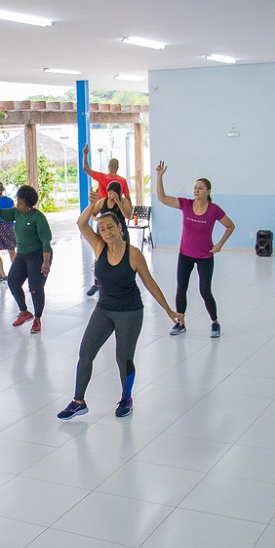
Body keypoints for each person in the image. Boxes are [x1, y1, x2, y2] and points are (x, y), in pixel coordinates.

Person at [57, 206, 183, 420]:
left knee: (123, 358)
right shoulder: (99, 247)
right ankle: (79, 402)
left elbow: (150, 283)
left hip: (130, 311)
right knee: (86, 353)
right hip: (104, 309)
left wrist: (169, 310)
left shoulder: (133, 254)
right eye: (103, 229)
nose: (107, 232)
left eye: (110, 227)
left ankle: (126, 399)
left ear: (120, 228)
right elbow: (81, 223)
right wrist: (93, 206)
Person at [155, 162, 235, 338]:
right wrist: (159, 177)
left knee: (205, 291)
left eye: (200, 188)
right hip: (185, 255)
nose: (196, 190)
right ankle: (180, 322)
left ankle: (214, 322)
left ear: (208, 192)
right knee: (181, 288)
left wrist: (220, 244)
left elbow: (230, 226)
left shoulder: (214, 210)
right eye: (195, 187)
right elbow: (162, 198)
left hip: (205, 256)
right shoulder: (186, 205)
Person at [0, 185, 52, 334]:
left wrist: (45, 262)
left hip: (38, 255)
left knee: (35, 288)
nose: (17, 205)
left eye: (20, 203)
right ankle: (24, 312)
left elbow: (46, 240)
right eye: (17, 202)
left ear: (28, 203)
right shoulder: (17, 214)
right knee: (12, 282)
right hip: (22, 255)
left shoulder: (38, 217)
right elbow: (0, 213)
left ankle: (37, 319)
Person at [81, 144, 130, 296]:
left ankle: (115, 283)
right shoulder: (121, 180)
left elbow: (86, 169)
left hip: (117, 226)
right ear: (118, 166)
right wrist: (97, 218)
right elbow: (128, 197)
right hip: (104, 221)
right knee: (101, 255)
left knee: (115, 255)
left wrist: (85, 155)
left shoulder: (104, 177)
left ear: (109, 166)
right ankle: (100, 283)